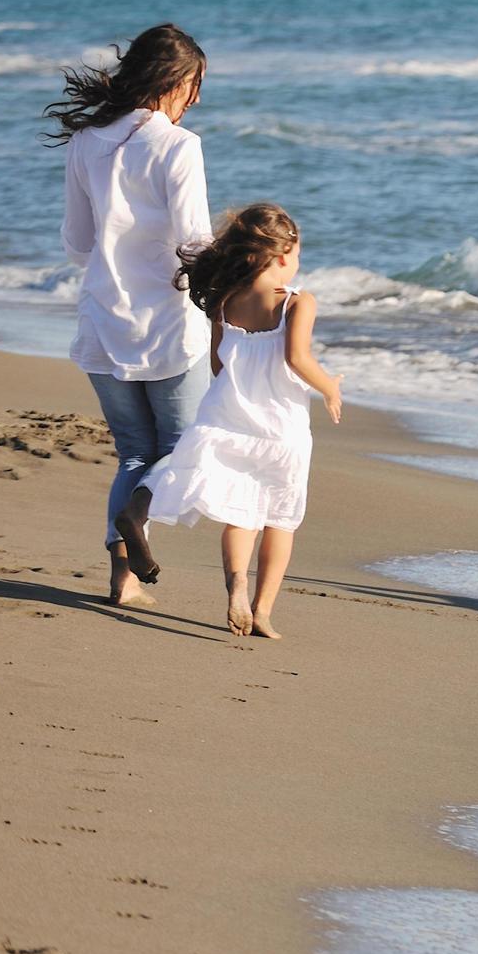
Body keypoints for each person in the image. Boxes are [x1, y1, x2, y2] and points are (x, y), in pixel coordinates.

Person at [47, 24, 211, 607]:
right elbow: (194, 242)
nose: (194, 100)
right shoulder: (178, 146)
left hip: (102, 320)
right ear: (175, 83)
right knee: (184, 449)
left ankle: (124, 580)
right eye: (193, 86)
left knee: (136, 454)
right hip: (168, 323)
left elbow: (78, 241)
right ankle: (139, 519)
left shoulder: (85, 141)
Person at [134, 204, 343, 639]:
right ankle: (263, 611)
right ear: (282, 255)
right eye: (298, 255)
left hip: (229, 421)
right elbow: (297, 358)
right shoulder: (297, 303)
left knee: (240, 518)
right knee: (280, 522)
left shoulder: (224, 303)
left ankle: (236, 591)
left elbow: (217, 367)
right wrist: (330, 387)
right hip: (282, 431)